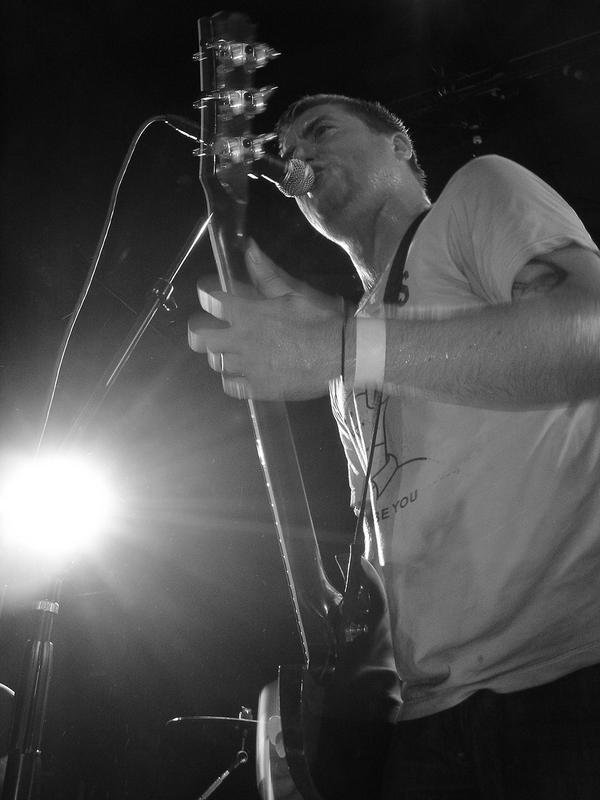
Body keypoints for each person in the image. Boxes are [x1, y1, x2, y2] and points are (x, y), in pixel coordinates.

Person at [188, 93, 600, 798]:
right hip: (429, 721)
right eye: (286, 150)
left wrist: (340, 345)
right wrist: (327, 712)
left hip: (567, 685)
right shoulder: (352, 349)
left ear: (401, 147)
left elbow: (588, 334)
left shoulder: (479, 191)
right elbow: (392, 551)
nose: (298, 156)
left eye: (320, 130)